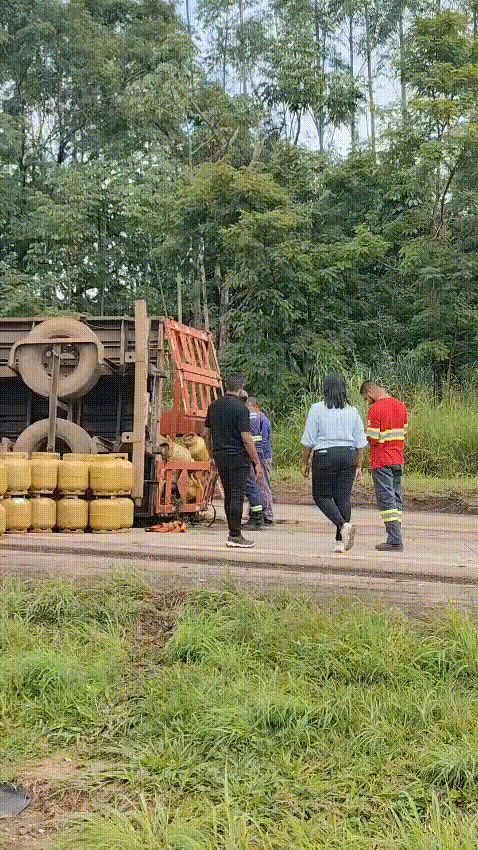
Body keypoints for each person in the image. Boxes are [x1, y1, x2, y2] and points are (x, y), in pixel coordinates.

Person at [301, 374, 367, 553]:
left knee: (321, 496)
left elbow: (308, 440)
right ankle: (340, 542)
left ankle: (342, 525)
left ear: (325, 389)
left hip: (324, 455)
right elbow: (361, 442)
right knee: (343, 497)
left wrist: (305, 463)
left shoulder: (316, 409)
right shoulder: (352, 410)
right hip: (348, 456)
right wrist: (359, 466)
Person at [204, 375, 264, 548]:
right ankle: (235, 536)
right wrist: (257, 462)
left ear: (225, 387)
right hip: (238, 457)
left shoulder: (213, 406)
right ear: (241, 388)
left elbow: (206, 434)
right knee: (237, 495)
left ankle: (232, 533)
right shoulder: (241, 408)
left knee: (229, 496)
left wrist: (211, 454)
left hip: (220, 457)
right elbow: (246, 438)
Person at [360, 380, 408, 552]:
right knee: (395, 498)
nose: (368, 401)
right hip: (397, 459)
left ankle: (394, 540)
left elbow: (372, 438)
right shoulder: (401, 406)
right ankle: (396, 535)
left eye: (366, 397)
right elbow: (404, 433)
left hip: (381, 461)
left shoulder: (375, 409)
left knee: (386, 499)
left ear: (370, 392)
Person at [243, 397, 274, 529]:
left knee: (262, 484)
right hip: (259, 455)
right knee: (256, 485)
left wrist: (258, 460)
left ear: (256, 407)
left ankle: (267, 514)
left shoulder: (260, 419)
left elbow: (262, 441)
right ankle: (258, 511)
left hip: (262, 456)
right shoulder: (259, 418)